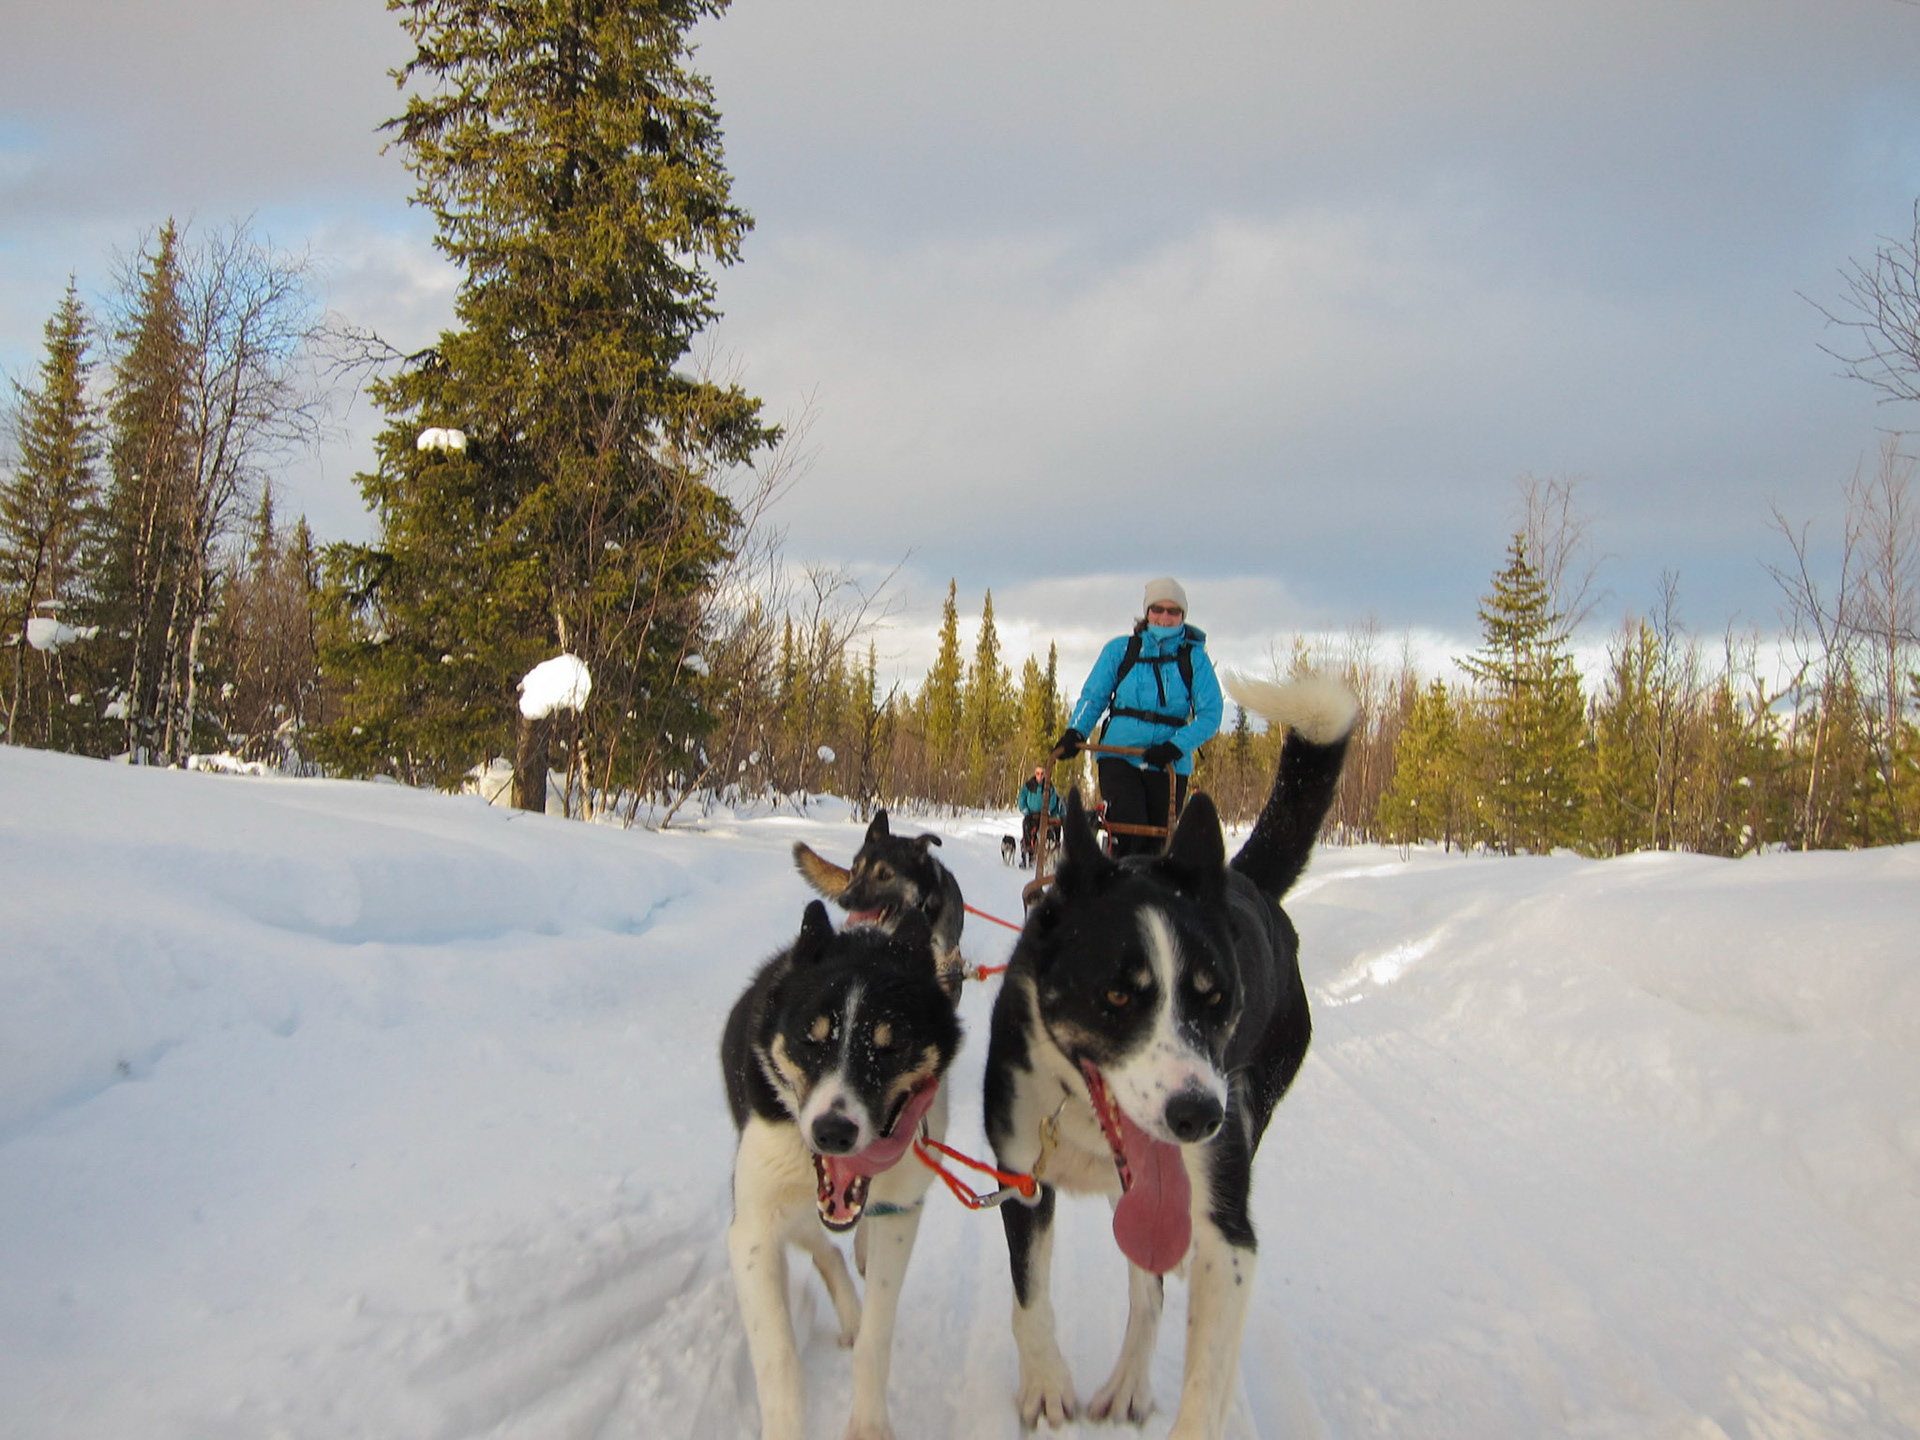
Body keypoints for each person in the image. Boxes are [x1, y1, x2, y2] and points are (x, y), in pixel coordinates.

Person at [1052, 577, 1222, 857]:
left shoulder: (1194, 659)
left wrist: (1175, 746)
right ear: (1147, 612)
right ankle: (1119, 876)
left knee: (1158, 847)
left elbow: (1210, 715)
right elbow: (1094, 697)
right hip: (1119, 754)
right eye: (1157, 609)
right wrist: (1076, 732)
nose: (1164, 617)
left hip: (1168, 762)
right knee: (1130, 832)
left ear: (1182, 615)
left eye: (1173, 611)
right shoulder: (1121, 650)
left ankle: (1147, 882)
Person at [1015, 764, 1065, 867]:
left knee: (1054, 829)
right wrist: (1026, 811)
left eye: (1042, 774)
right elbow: (1021, 799)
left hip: (1045, 815)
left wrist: (1047, 810)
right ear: (1035, 774)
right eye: (1038, 773)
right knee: (1027, 827)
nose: (1040, 776)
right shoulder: (1028, 786)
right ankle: (1028, 854)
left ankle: (1051, 854)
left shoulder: (1049, 786)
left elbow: (1053, 800)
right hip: (1032, 815)